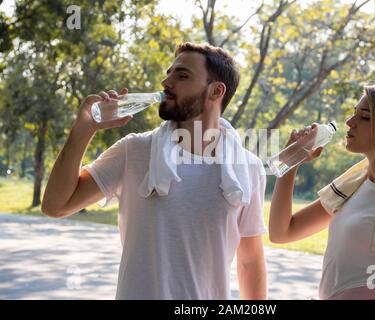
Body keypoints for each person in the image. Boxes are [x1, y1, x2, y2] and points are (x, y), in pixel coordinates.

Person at [42, 42, 267, 300]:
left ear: (216, 91)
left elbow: (249, 261)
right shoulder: (134, 151)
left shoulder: (247, 168)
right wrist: (84, 127)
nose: (166, 81)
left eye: (181, 75)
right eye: (169, 73)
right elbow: (55, 206)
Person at [269, 82, 375, 300]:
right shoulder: (352, 187)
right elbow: (282, 233)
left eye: (365, 117)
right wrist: (292, 160)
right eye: (354, 113)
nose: (350, 122)